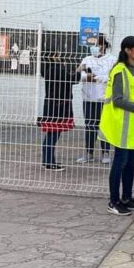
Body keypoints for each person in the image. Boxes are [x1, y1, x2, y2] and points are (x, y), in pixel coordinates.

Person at [100, 36, 134, 216]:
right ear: (128, 50)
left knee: (130, 164)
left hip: (133, 126)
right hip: (121, 125)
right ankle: (113, 201)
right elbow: (118, 100)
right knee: (120, 163)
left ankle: (127, 198)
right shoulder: (119, 70)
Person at [37, 43, 77, 171]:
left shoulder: (49, 68)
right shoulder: (56, 68)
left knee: (51, 134)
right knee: (53, 134)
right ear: (53, 56)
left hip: (52, 105)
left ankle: (47, 161)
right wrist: (81, 72)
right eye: (57, 54)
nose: (59, 56)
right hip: (57, 107)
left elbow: (67, 78)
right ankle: (49, 163)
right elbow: (69, 79)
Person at [76, 35, 115, 164]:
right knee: (90, 126)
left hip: (104, 98)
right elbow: (78, 74)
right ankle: (89, 153)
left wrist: (95, 77)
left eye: (97, 45)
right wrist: (86, 75)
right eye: (92, 45)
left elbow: (113, 78)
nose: (95, 48)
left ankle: (106, 153)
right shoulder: (87, 59)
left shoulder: (112, 59)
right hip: (88, 98)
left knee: (104, 126)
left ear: (104, 45)